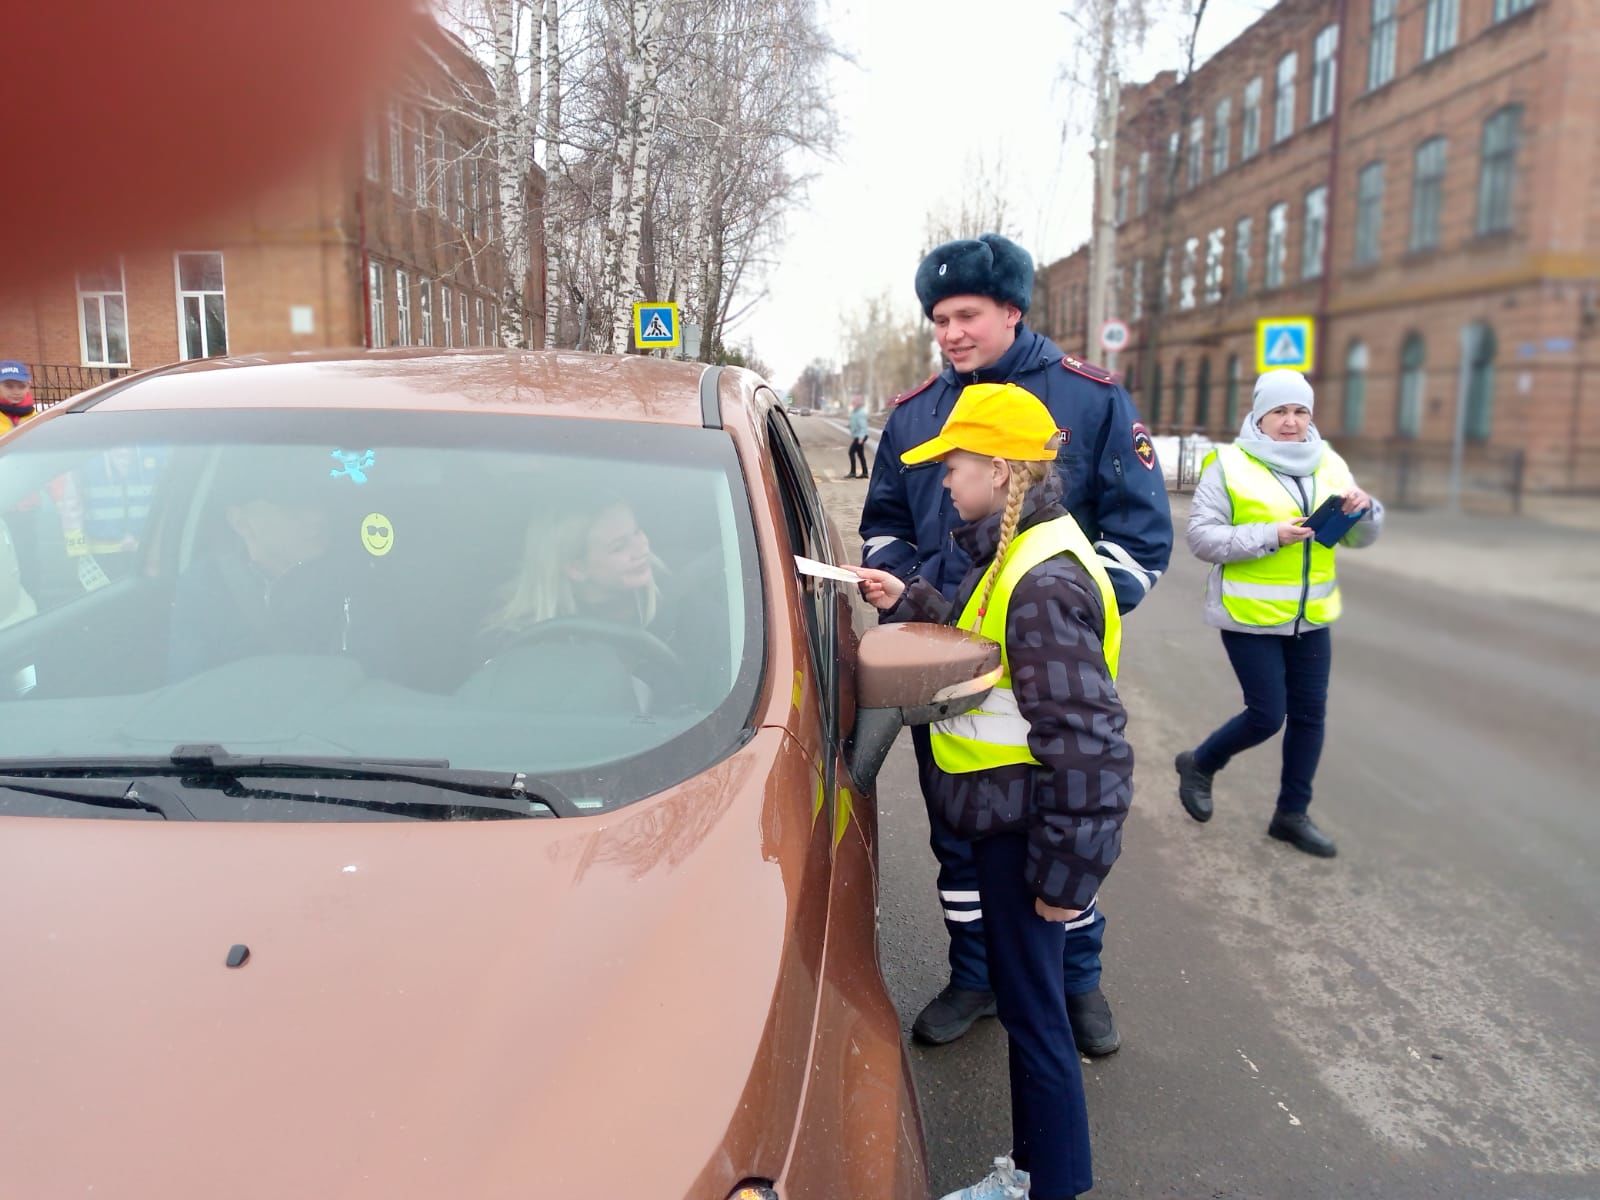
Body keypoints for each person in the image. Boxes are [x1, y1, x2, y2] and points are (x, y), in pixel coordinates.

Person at [860, 232, 1171, 1054]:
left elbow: (1140, 537)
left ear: (1012, 310)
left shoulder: (1089, 399)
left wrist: (1059, 627)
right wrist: (919, 622)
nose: (951, 333)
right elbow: (885, 523)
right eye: (939, 319)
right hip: (945, 677)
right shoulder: (916, 412)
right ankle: (976, 974)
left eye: (967, 315)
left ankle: (1077, 980)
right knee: (958, 835)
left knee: (1057, 829)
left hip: (1047, 679)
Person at [854, 381, 1130, 1200]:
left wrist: (1063, 882)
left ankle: (1044, 1185)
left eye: (956, 464)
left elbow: (1089, 746)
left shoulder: (1043, 579)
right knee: (1031, 1010)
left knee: (1036, 1021)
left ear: (1002, 471)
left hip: (1025, 835)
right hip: (1012, 822)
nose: (944, 480)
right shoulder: (1016, 552)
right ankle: (1049, 1176)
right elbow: (990, 650)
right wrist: (912, 600)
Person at [1175, 369, 1384, 858]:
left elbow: (1359, 536)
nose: (1291, 422)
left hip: (1311, 615)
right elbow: (1202, 539)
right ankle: (1201, 763)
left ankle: (1291, 815)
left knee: (1310, 716)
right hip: (1249, 615)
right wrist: (1271, 534)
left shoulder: (1329, 461)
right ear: (1259, 415)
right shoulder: (1228, 464)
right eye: (1280, 412)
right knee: (1268, 715)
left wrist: (1365, 510)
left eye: (1300, 411)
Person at [168, 466, 350, 679]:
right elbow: (190, 694)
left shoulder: (357, 575)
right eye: (291, 507)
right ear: (240, 522)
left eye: (318, 501)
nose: (317, 517)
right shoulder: (204, 589)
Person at [0, 361, 37, 429]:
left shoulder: (36, 418)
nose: (16, 392)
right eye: (9, 386)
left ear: (28, 387)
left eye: (22, 386)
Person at [846, 397, 870, 478]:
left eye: (854, 403)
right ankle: (865, 473)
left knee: (851, 452)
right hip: (859, 435)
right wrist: (850, 425)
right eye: (852, 402)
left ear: (858, 404)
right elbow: (854, 421)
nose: (853, 404)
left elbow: (863, 426)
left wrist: (861, 438)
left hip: (861, 435)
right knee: (860, 454)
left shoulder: (860, 412)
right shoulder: (855, 412)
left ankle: (853, 472)